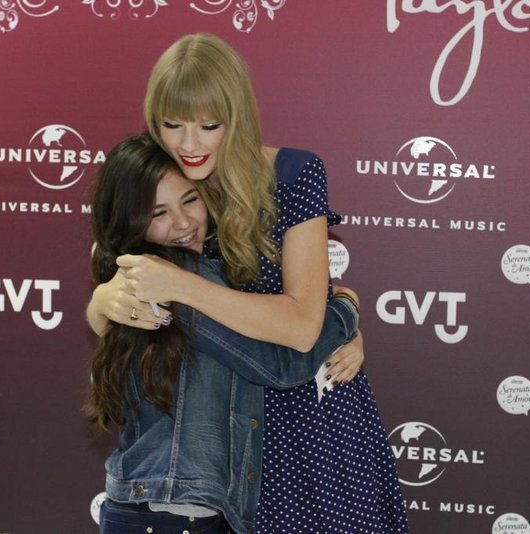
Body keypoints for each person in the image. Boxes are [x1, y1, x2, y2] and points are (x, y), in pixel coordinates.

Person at [88, 33, 408, 532]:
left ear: (235, 116)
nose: (188, 144)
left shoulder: (293, 175)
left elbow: (302, 327)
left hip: (312, 421)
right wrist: (102, 300)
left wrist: (338, 313)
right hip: (225, 446)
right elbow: (123, 293)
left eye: (208, 125)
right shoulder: (169, 188)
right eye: (172, 125)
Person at [88, 134, 362, 534]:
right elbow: (284, 363)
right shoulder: (175, 280)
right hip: (175, 514)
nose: (182, 224)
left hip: (156, 508)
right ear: (131, 220)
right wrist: (345, 308)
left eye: (190, 200)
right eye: (157, 213)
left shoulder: (136, 274)